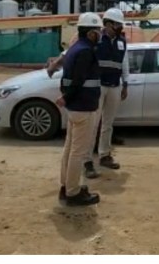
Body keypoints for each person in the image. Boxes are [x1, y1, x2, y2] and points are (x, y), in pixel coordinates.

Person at [56, 12, 103, 206]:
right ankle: (73, 193)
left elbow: (66, 80)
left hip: (75, 107)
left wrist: (66, 98)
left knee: (69, 150)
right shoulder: (86, 51)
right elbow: (78, 80)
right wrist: (66, 97)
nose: (100, 35)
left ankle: (66, 186)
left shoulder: (74, 49)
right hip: (83, 107)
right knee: (78, 152)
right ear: (91, 33)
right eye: (98, 31)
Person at [85, 8, 129, 179]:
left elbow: (124, 63)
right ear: (108, 24)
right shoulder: (96, 39)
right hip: (98, 86)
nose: (119, 27)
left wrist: (125, 84)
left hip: (114, 86)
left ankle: (104, 155)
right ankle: (87, 160)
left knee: (108, 124)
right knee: (93, 124)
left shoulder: (122, 42)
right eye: (117, 24)